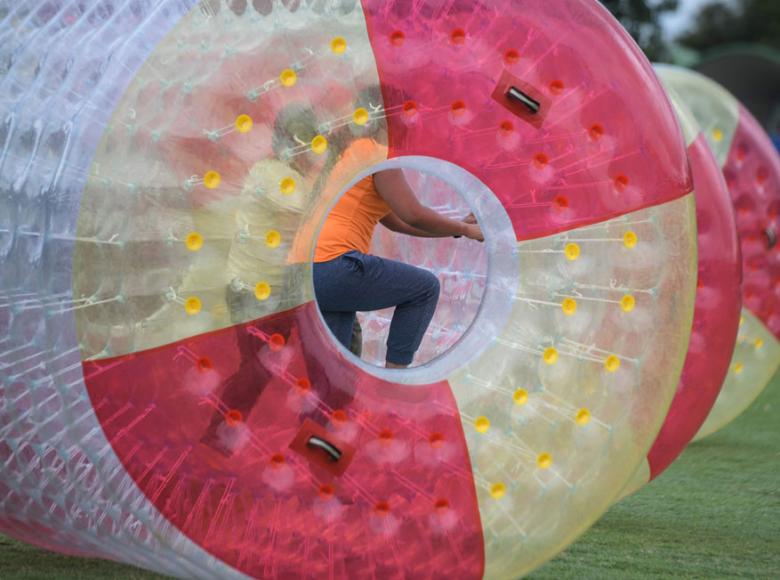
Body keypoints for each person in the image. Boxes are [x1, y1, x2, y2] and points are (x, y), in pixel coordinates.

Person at [313, 169, 483, 369]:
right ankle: (394, 379)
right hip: (336, 264)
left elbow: (399, 222)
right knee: (425, 288)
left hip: (311, 271)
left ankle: (336, 394)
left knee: (333, 371)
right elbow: (413, 215)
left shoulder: (351, 159)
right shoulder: (381, 160)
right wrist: (466, 229)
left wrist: (458, 227)